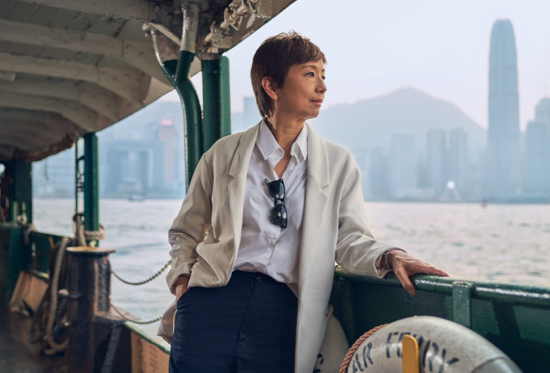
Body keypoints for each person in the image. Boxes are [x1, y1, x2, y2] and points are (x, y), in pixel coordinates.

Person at [159, 31, 448, 373]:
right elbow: (186, 232)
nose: (322, 87)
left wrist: (390, 255)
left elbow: (348, 238)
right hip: (212, 301)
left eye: (323, 76)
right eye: (310, 74)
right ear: (272, 86)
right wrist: (182, 285)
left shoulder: (337, 163)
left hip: (284, 312)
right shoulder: (224, 154)